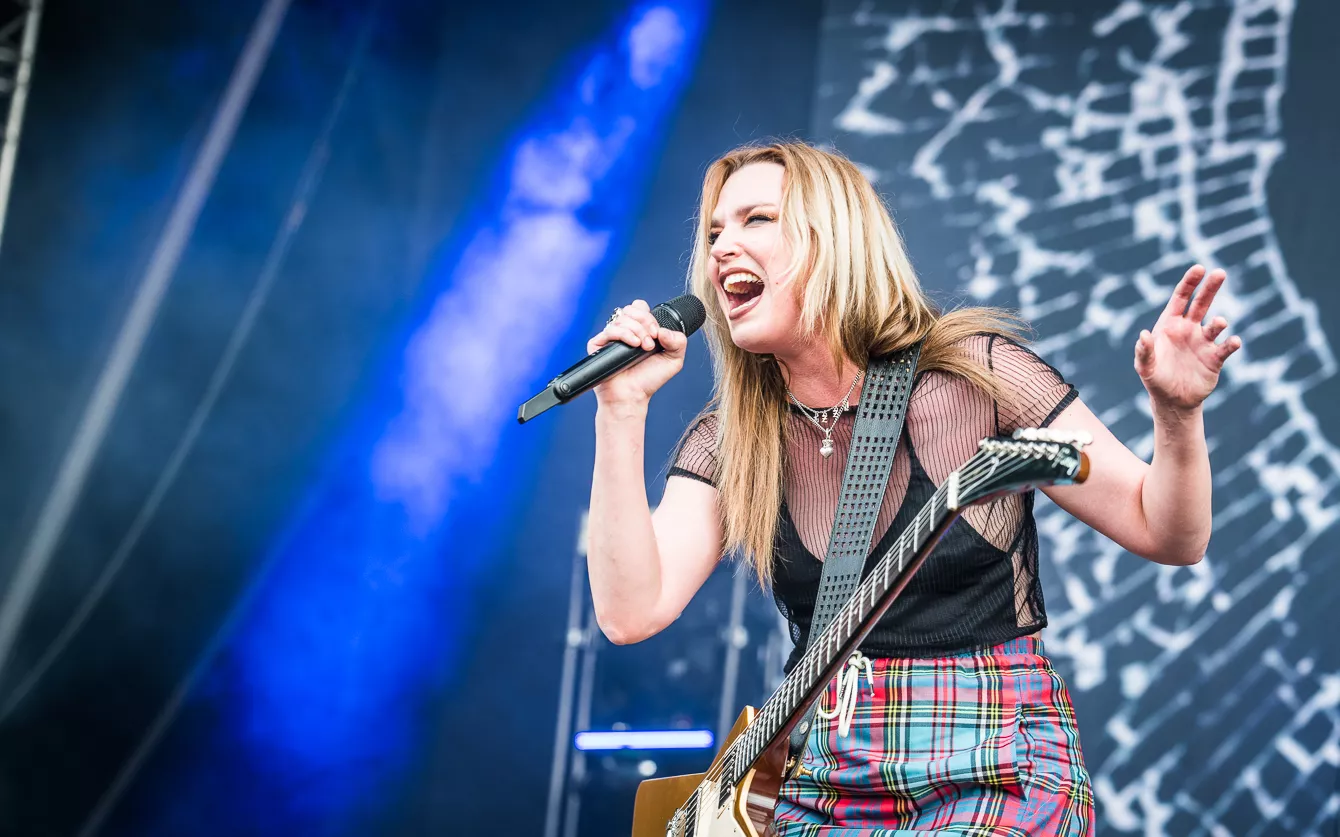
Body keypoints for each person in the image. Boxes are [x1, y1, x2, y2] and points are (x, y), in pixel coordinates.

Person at [583, 141, 1240, 834]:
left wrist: (1177, 415)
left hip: (994, 766)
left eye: (757, 219)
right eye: (715, 231)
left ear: (834, 237)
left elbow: (1170, 533)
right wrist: (620, 410)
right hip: (823, 782)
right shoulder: (732, 440)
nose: (721, 248)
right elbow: (630, 613)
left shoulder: (974, 378)